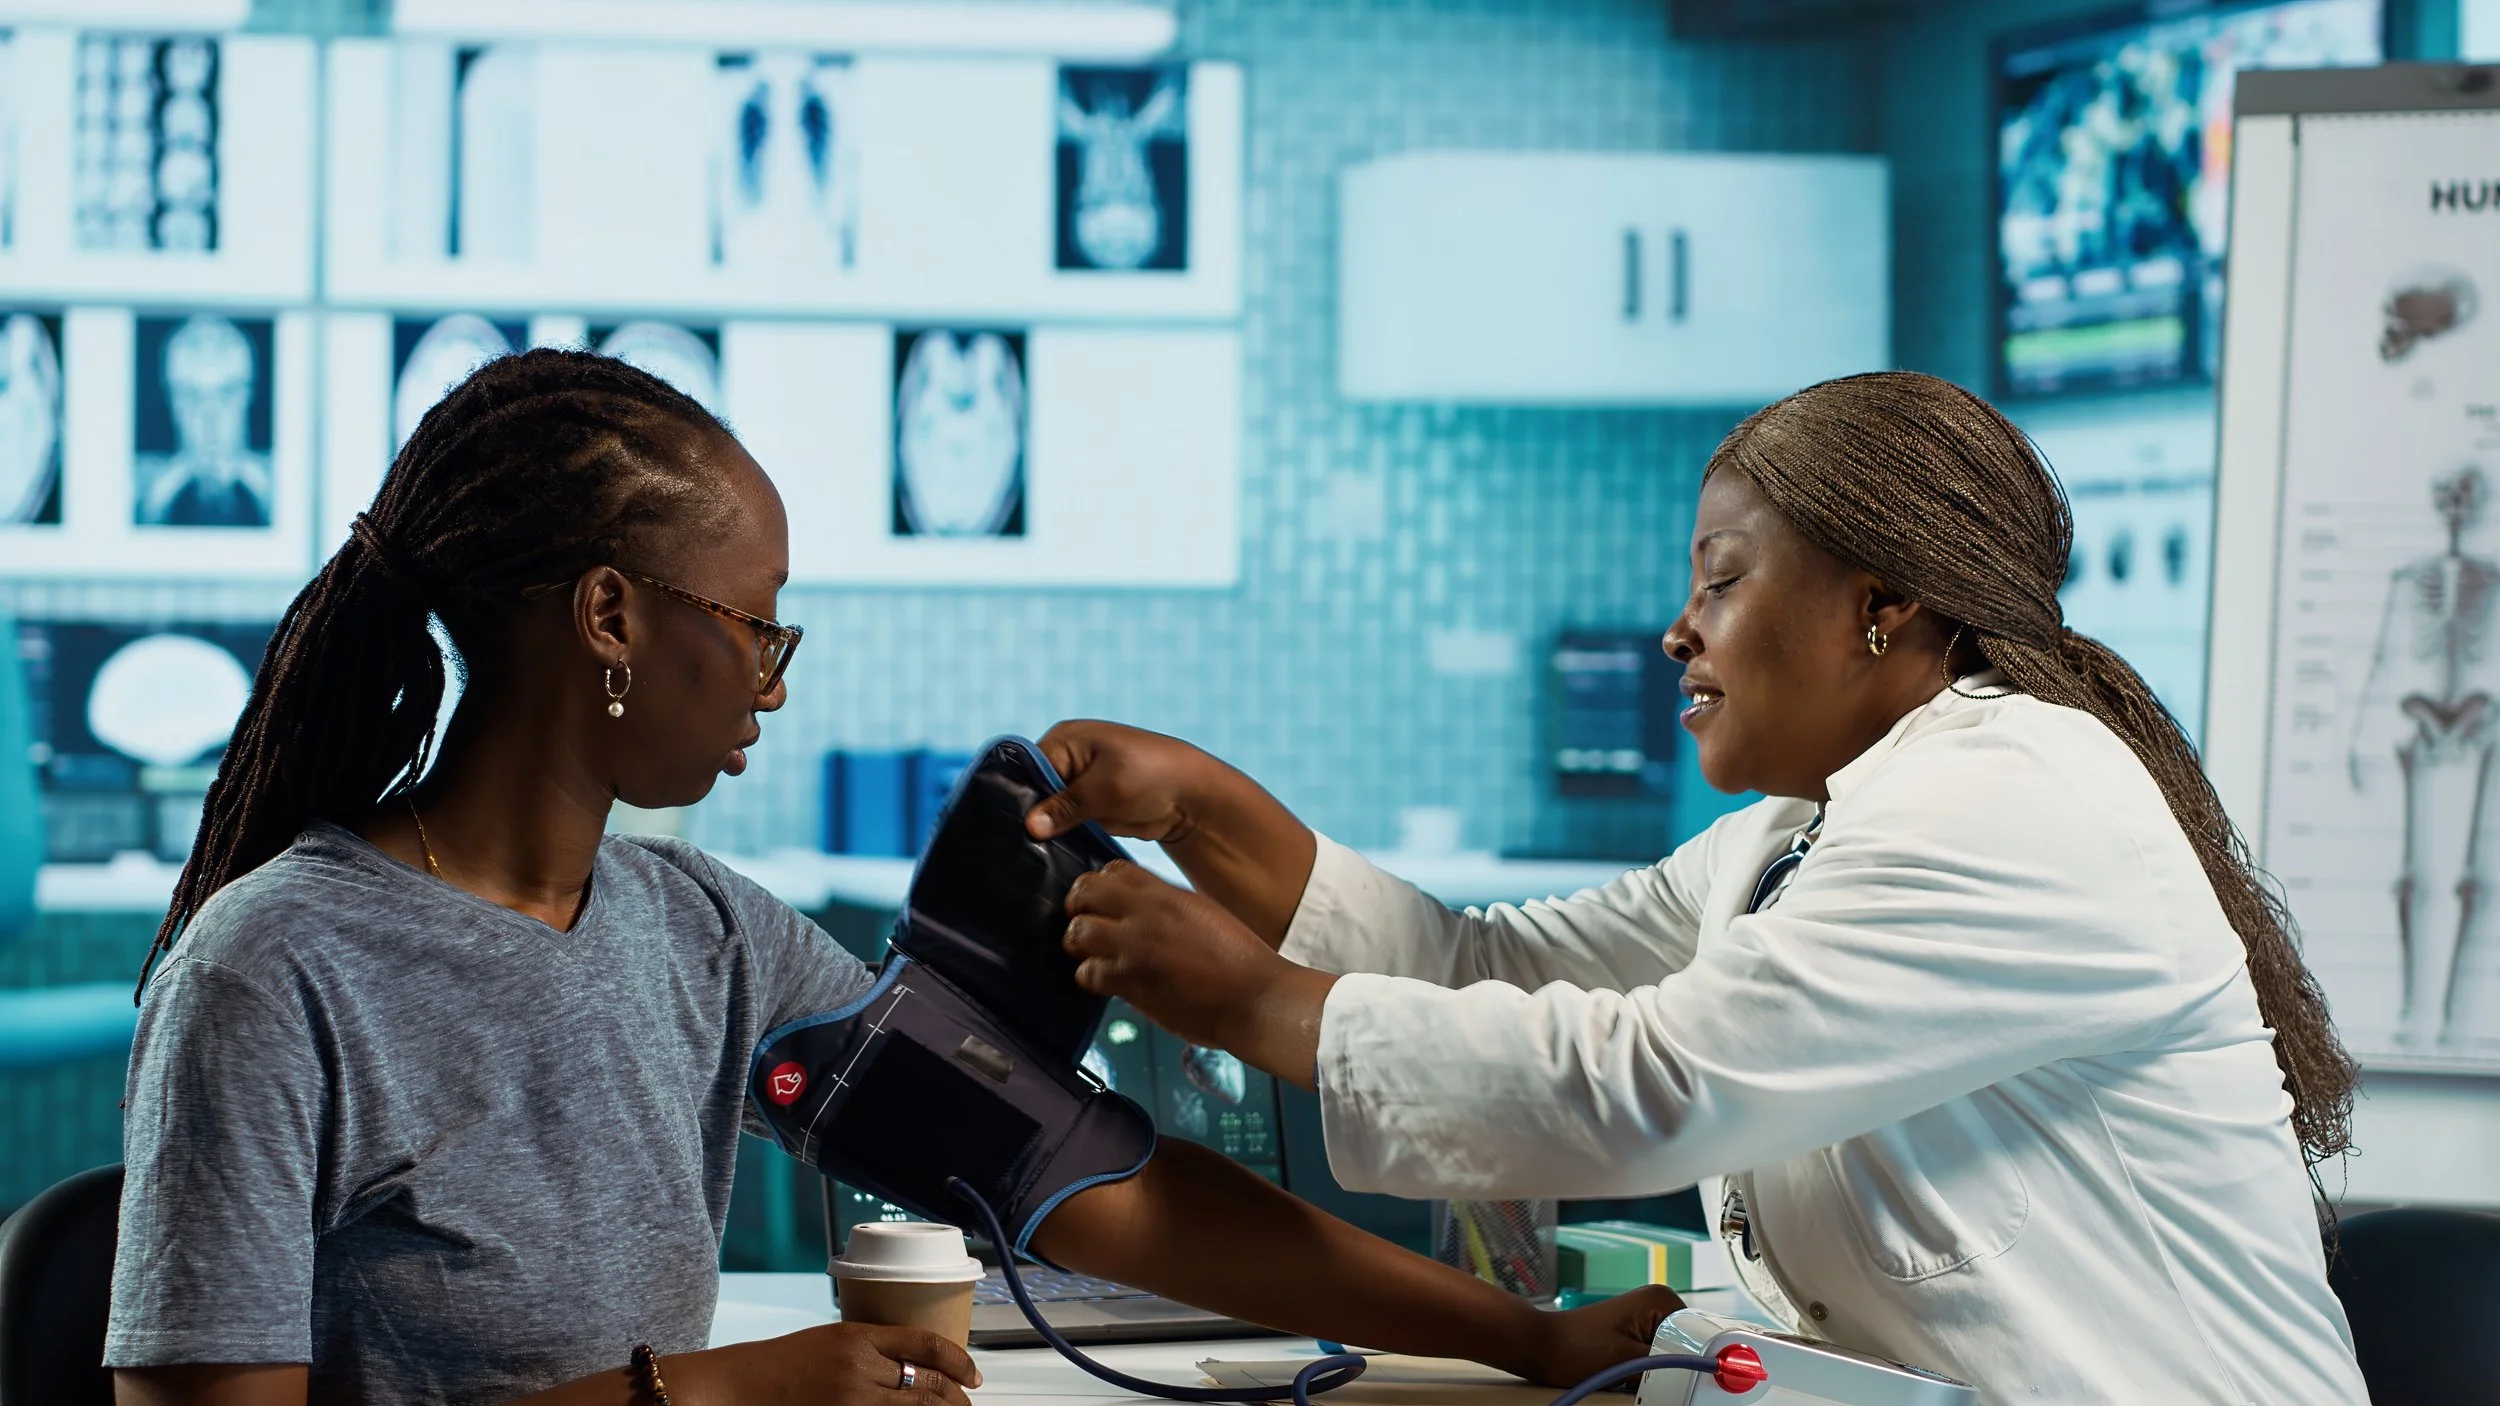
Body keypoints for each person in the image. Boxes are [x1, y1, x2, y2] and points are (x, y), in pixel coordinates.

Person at [106, 350, 1671, 1406]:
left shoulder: (698, 931)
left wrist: (1525, 1340)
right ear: (609, 617)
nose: (772, 681)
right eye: (756, 623)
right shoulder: (276, 970)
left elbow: (1092, 1180)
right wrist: (717, 1388)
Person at [1029, 371, 2371, 1404]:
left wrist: (1258, 1003)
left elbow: (1651, 1083)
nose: (1680, 626)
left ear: (1878, 605)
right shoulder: (1794, 836)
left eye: (1722, 580)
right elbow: (1491, 970)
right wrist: (1202, 807)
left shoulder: (2015, 797)